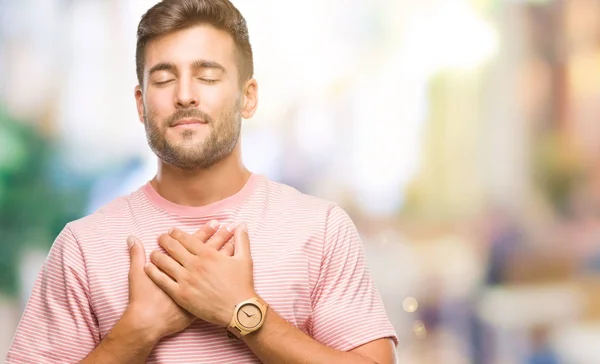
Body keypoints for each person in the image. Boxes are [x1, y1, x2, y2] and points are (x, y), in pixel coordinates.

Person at [6, 0, 398, 363]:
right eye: (164, 79)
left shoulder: (321, 230)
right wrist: (137, 330)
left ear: (248, 97)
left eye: (207, 76)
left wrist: (243, 311)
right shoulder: (82, 248)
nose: (185, 95)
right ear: (141, 105)